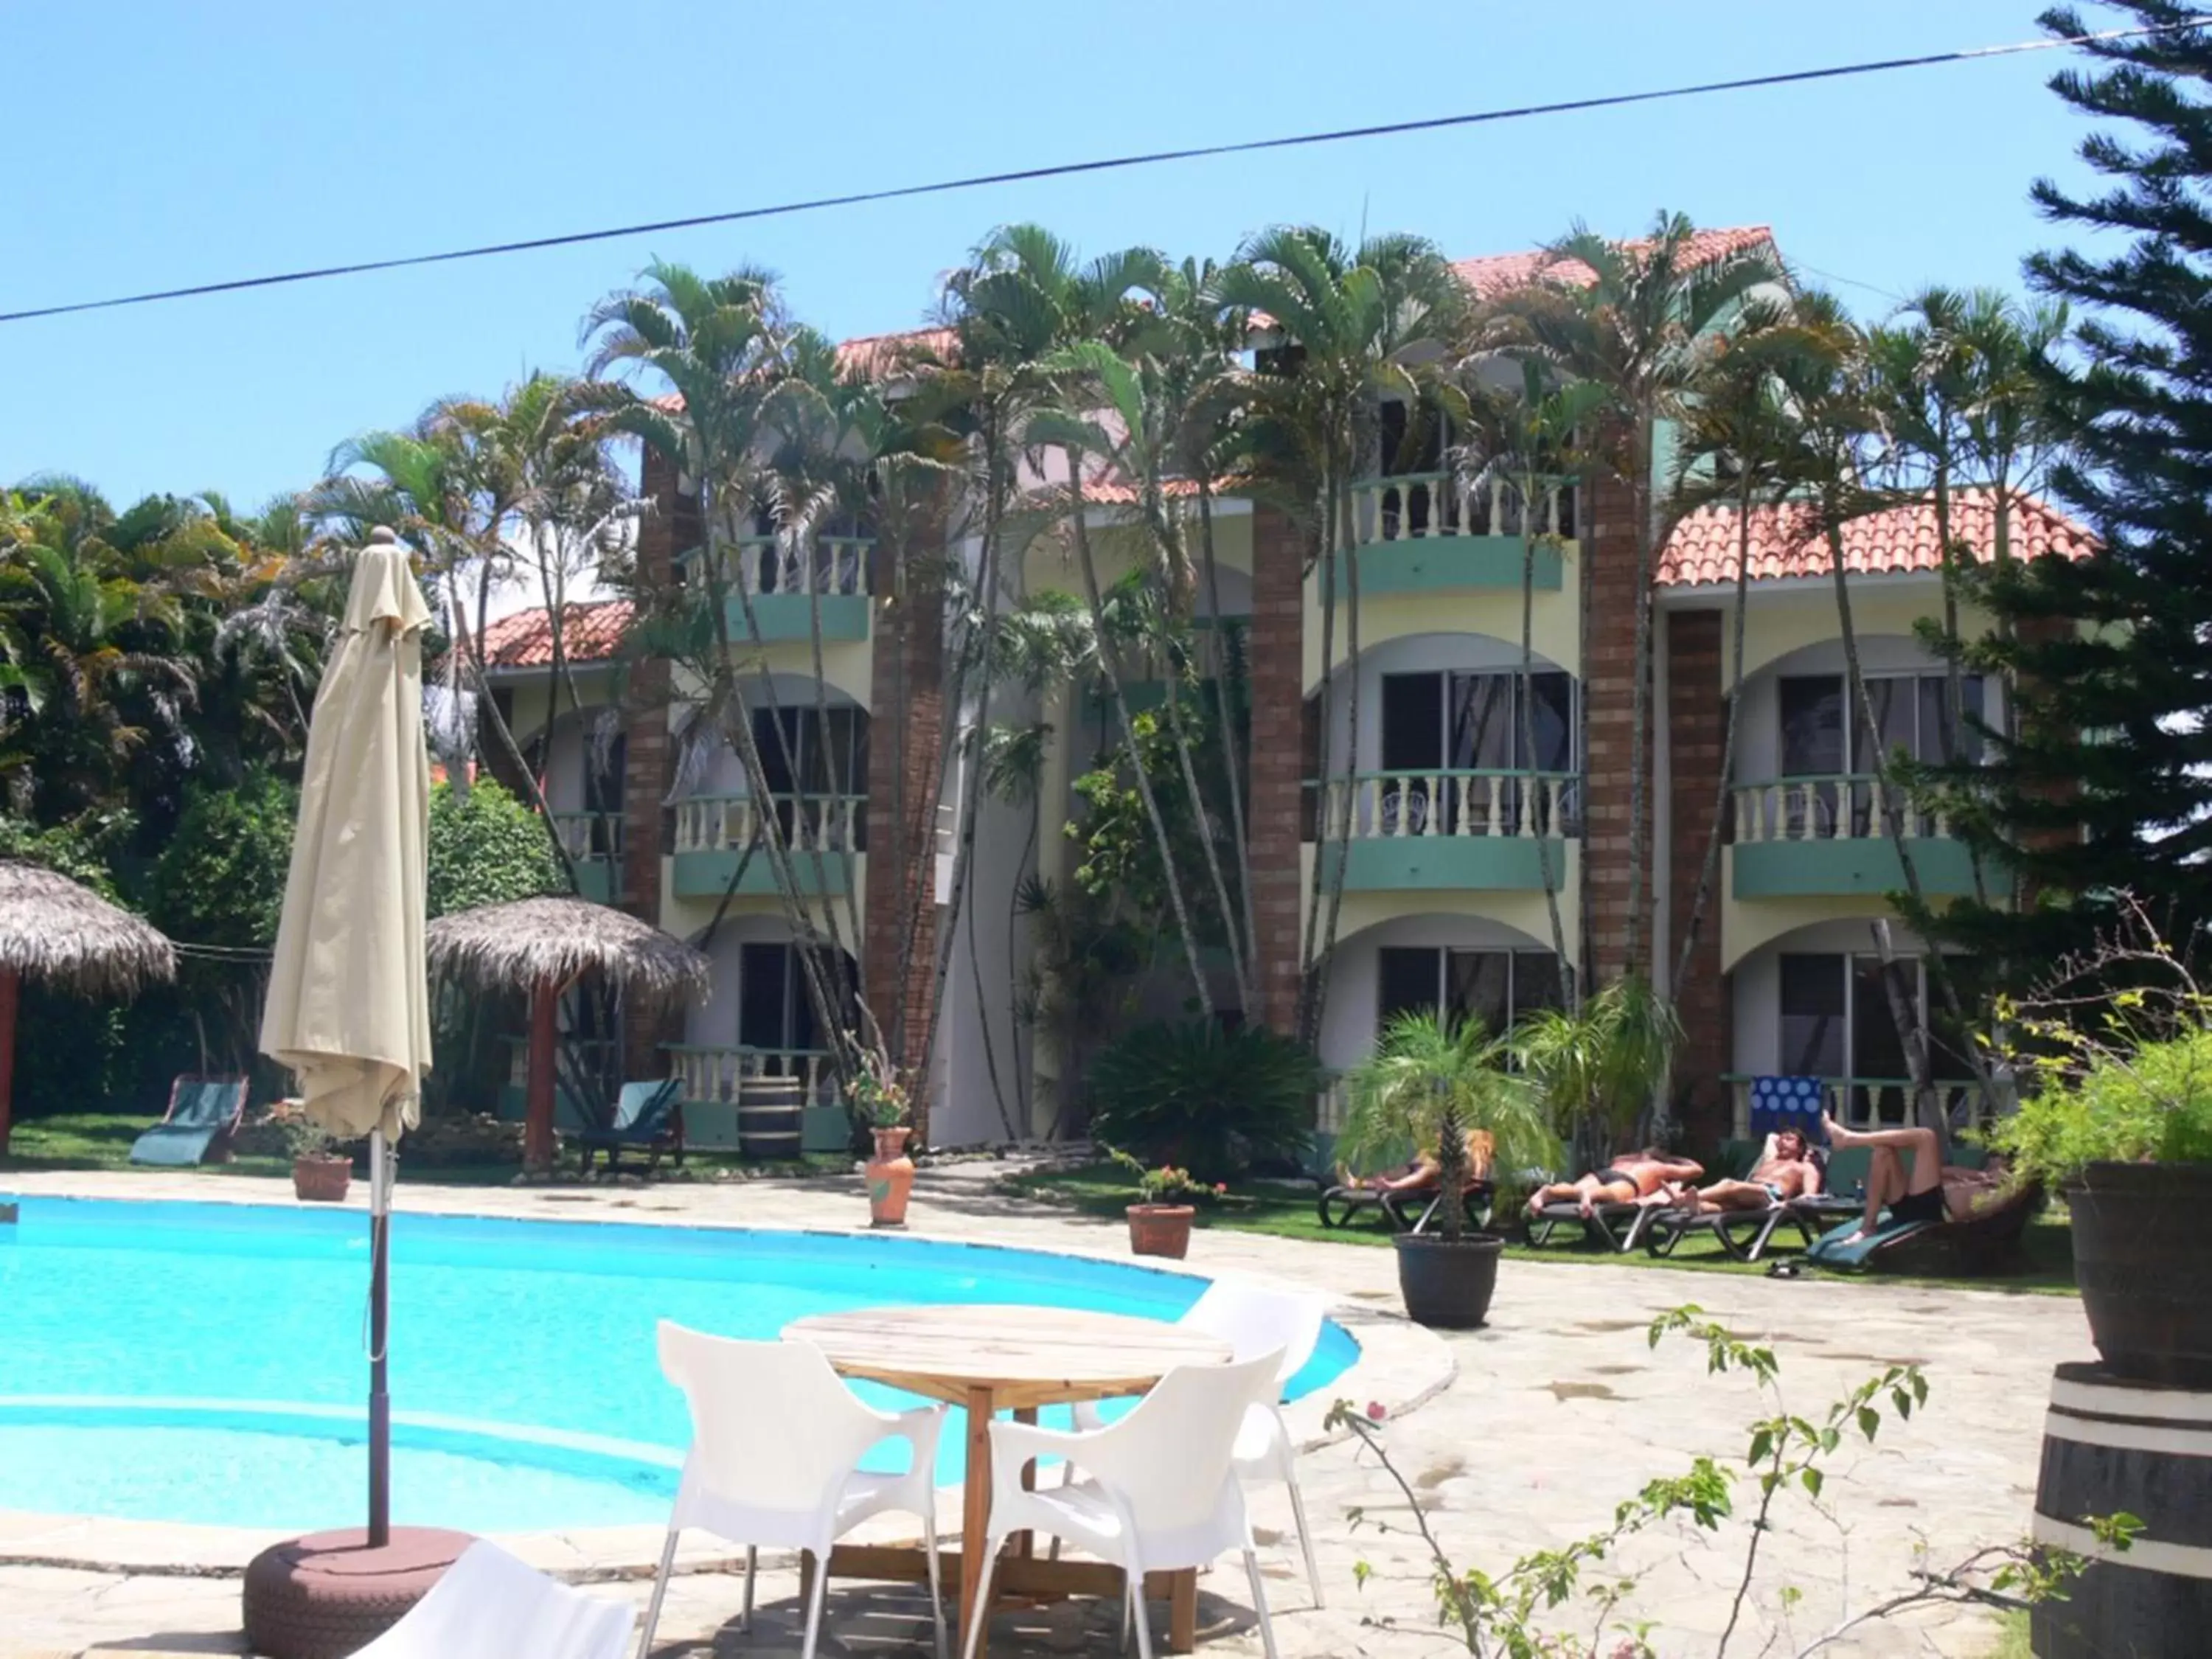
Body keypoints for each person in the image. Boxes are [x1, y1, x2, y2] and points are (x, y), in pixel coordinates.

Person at [1820, 1114, 2002, 1244]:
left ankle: (1850, 1139)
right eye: (1994, 1158)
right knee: (1883, 1152)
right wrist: (1977, 1176)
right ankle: (1868, 1227)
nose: (1994, 1161)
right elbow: (1941, 1171)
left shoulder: (2006, 1188)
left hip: (1935, 1211)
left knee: (1926, 1137)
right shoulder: (1982, 1176)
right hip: (1913, 1201)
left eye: (1999, 1159)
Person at [1642, 1129, 1824, 1214]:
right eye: (1782, 1139)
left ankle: (1680, 1199)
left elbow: (1810, 1196)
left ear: (1800, 1148)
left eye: (1790, 1139)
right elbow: (1771, 1137)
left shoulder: (1805, 1167)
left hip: (1771, 1196)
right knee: (1721, 1208)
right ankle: (1695, 1206)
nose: (1782, 1141)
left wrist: (1788, 1205)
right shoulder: (1770, 1160)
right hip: (1748, 1193)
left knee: (1728, 1184)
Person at [1524, 1146, 1705, 1219]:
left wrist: (1643, 1153)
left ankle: (1548, 1191)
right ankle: (1588, 1196)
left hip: (1605, 1172)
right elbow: (1697, 1169)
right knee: (1613, 1195)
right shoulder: (1661, 1168)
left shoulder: (1624, 1160)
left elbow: (1618, 1158)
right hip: (1630, 1182)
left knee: (1574, 1189)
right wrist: (1669, 1158)